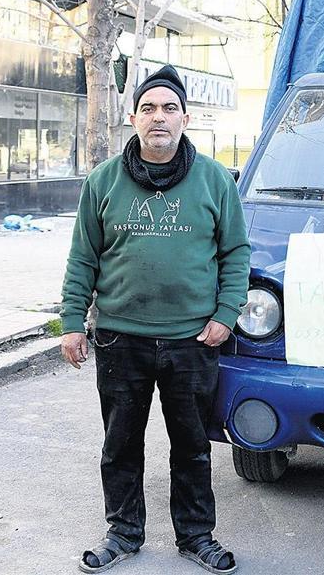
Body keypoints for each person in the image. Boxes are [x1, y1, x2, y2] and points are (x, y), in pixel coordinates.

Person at [60, 65, 250, 574]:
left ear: (185, 117)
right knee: (120, 444)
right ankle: (122, 533)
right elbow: (83, 258)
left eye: (169, 108)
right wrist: (73, 321)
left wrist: (227, 314)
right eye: (148, 108)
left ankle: (196, 536)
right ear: (132, 117)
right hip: (122, 339)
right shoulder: (103, 180)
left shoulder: (213, 179)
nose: (158, 117)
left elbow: (236, 253)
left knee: (191, 447)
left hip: (193, 340)